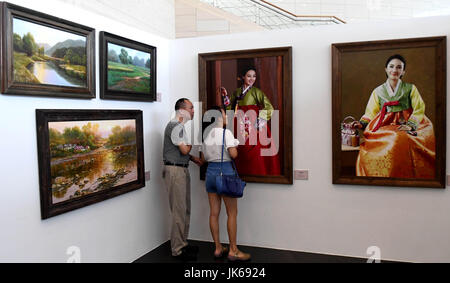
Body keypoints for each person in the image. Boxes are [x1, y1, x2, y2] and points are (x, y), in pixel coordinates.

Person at [351, 54, 435, 178]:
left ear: (403, 71)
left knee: (404, 137)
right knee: (393, 137)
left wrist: (411, 125)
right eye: (391, 66)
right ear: (386, 69)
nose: (394, 70)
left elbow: (419, 108)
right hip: (385, 123)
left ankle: (407, 175)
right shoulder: (378, 91)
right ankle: (384, 175)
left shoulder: (410, 88)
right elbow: (371, 111)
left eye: (399, 67)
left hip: (407, 120)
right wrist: (362, 123)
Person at [200, 106, 251, 261]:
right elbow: (233, 154)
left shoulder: (206, 136)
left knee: (214, 213)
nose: (227, 116)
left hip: (210, 174)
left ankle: (217, 248)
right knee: (232, 213)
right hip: (225, 173)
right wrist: (236, 144)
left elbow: (203, 160)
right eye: (224, 114)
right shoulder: (226, 133)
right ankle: (233, 250)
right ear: (218, 117)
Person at [220, 66, 280, 176]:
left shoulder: (257, 92)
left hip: (253, 124)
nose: (252, 79)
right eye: (249, 76)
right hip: (238, 124)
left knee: (256, 153)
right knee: (239, 151)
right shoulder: (237, 92)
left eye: (254, 76)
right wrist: (225, 97)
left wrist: (258, 122)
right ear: (243, 77)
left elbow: (269, 107)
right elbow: (230, 109)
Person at [162, 98, 202, 261]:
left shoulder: (179, 127)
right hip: (175, 172)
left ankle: (182, 244)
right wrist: (192, 145)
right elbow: (184, 149)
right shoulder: (175, 126)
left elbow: (181, 151)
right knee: (179, 211)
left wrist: (193, 159)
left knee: (185, 209)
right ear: (182, 110)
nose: (193, 111)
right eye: (191, 108)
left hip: (180, 169)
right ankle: (177, 250)